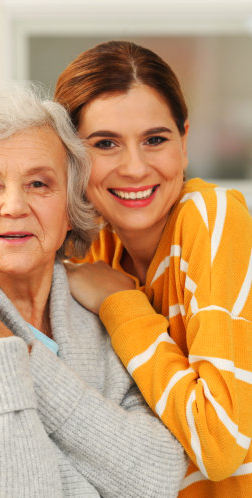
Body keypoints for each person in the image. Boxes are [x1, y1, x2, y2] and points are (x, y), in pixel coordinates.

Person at [0, 83, 186, 498]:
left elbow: (158, 475)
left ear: (71, 209)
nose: (15, 206)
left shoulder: (104, 309)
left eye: (39, 184)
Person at [55, 40, 252, 497]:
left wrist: (120, 303)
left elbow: (220, 446)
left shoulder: (212, 218)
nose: (135, 167)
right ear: (71, 159)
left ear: (184, 143)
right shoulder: (92, 251)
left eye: (155, 140)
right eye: (105, 143)